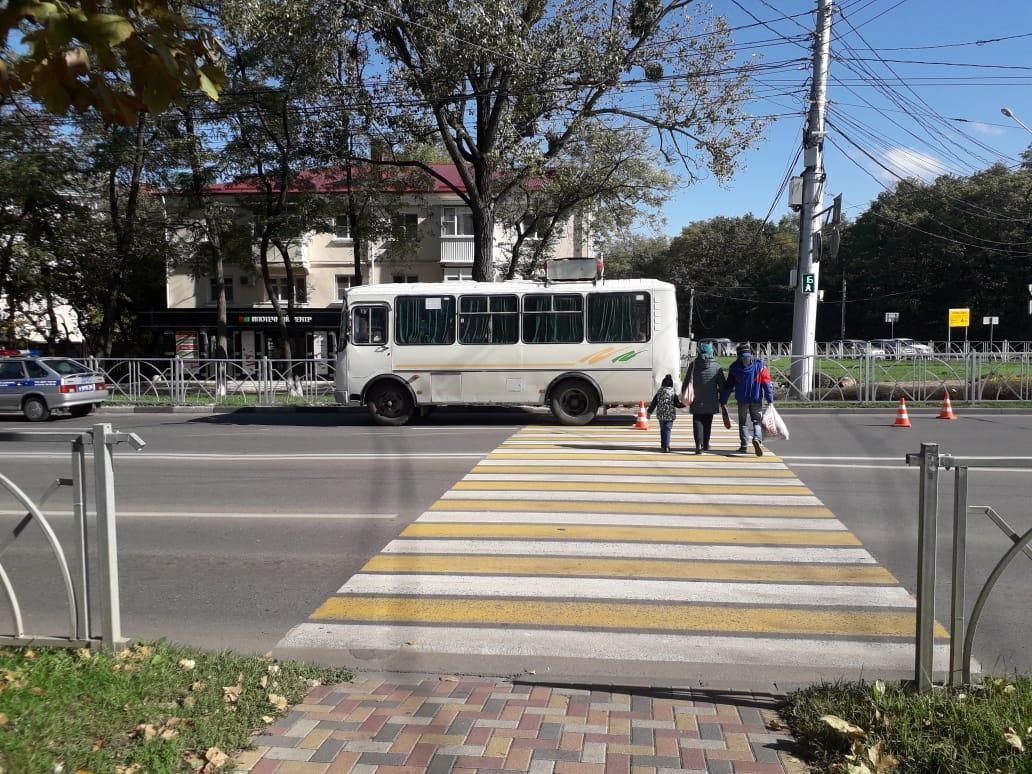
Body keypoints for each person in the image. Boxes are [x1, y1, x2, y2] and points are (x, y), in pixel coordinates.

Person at [719, 342, 774, 456]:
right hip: (756, 399)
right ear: (749, 352)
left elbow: (728, 386)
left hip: (742, 399)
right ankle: (757, 439)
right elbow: (766, 384)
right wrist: (770, 400)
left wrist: (723, 401)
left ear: (738, 353)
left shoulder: (734, 367)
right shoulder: (760, 366)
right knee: (756, 421)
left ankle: (744, 445)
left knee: (743, 422)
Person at [683, 342, 726, 454]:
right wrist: (723, 399)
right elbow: (722, 385)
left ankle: (698, 445)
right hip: (711, 400)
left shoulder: (693, 365)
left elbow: (687, 382)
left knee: (697, 421)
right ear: (711, 352)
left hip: (696, 400)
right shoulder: (716, 366)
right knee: (708, 422)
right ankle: (706, 444)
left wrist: (683, 393)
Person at [646, 374, 683, 453]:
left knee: (662, 429)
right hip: (670, 415)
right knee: (667, 430)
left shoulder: (659, 392)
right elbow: (677, 404)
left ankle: (663, 444)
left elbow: (653, 403)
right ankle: (666, 446)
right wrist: (684, 404)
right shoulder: (673, 393)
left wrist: (649, 413)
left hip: (661, 415)